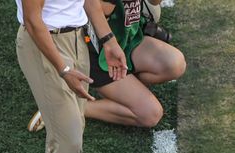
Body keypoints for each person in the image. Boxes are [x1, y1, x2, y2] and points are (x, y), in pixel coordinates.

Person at [16, 0, 127, 153]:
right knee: (68, 139)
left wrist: (108, 40)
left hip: (76, 38)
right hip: (45, 46)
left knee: (73, 133)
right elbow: (34, 21)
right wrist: (64, 69)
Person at [28, 0, 185, 130]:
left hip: (124, 38)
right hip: (98, 51)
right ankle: (67, 108)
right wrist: (109, 41)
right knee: (150, 114)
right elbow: (96, 7)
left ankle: (126, 88)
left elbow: (154, 2)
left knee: (174, 63)